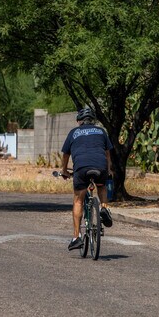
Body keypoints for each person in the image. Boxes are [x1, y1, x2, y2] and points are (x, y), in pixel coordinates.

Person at [61, 107, 114, 251]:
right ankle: (104, 208)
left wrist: (64, 171)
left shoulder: (73, 133)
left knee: (78, 200)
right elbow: (107, 154)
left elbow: (65, 154)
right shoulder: (101, 131)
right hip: (100, 166)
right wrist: (108, 170)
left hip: (82, 168)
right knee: (101, 186)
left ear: (79, 121)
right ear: (94, 121)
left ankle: (76, 237)